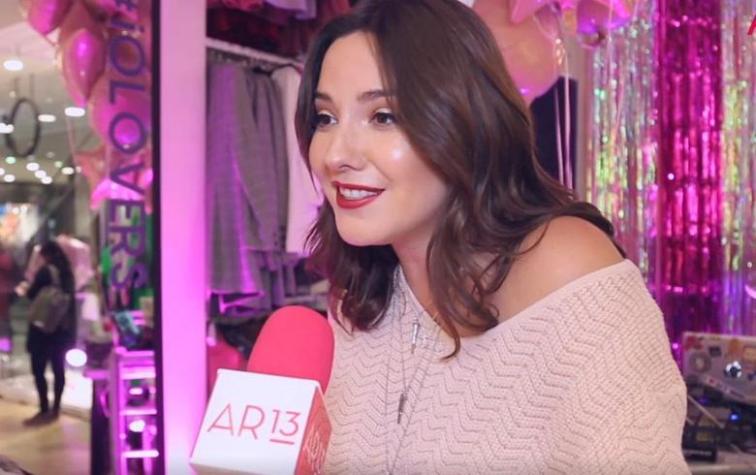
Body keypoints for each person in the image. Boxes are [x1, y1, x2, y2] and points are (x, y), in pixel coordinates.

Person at [294, 0, 689, 473]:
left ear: (465, 120)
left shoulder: (566, 268)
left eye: (383, 116)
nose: (335, 155)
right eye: (325, 118)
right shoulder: (356, 296)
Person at [22, 241, 76, 426]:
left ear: (47, 255)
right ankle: (56, 408)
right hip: (60, 329)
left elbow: (31, 294)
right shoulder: (68, 274)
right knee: (58, 369)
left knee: (38, 369)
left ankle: (44, 407)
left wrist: (26, 288)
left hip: (41, 328)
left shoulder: (45, 271)